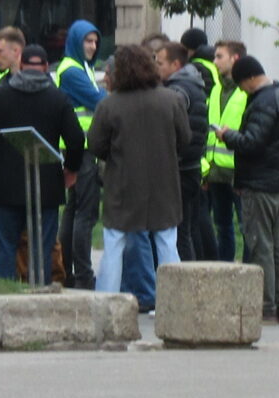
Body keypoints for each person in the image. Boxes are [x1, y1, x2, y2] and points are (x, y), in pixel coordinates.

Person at [87, 41, 188, 311]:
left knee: (114, 245)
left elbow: (96, 145)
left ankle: (105, 304)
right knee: (167, 243)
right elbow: (184, 140)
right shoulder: (172, 100)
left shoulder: (110, 105)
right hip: (163, 182)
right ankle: (174, 305)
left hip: (122, 183)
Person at [0, 44, 83, 283]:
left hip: (5, 184)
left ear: (21, 64)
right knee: (42, 249)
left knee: (6, 248)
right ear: (45, 67)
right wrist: (71, 169)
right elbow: (76, 139)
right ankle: (40, 293)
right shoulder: (57, 98)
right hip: (47, 185)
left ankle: (3, 293)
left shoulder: (0, 95)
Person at [215, 54, 279, 323]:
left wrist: (227, 136)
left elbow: (252, 142)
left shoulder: (262, 102)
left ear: (249, 79)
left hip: (258, 182)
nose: (241, 90)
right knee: (277, 248)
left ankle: (266, 307)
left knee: (261, 246)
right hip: (276, 180)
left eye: (241, 85)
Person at [53, 20, 105, 288]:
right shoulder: (72, 71)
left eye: (95, 42)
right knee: (85, 213)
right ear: (75, 41)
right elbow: (100, 101)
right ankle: (83, 275)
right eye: (88, 41)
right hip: (82, 149)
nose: (93, 46)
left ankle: (69, 271)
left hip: (79, 148)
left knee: (74, 211)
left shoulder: (82, 67)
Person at [155, 39, 217, 262]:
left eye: (160, 63)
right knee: (188, 230)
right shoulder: (193, 84)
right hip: (191, 167)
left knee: (179, 233)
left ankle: (185, 283)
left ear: (176, 65)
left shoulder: (178, 91)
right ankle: (194, 278)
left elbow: (170, 127)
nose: (156, 67)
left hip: (180, 169)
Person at [203, 39, 247, 264]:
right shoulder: (217, 87)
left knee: (246, 228)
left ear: (235, 58)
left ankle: (251, 274)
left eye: (219, 56)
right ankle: (225, 270)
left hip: (238, 172)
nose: (215, 61)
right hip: (216, 171)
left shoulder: (246, 90)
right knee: (222, 227)